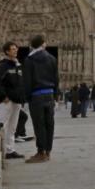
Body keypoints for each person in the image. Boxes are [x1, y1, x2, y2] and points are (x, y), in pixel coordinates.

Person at [22, 34, 59, 163]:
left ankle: (41, 152)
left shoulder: (29, 60)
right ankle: (48, 151)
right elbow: (56, 79)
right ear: (43, 44)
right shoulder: (52, 58)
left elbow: (27, 81)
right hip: (49, 95)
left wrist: (27, 97)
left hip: (36, 96)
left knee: (39, 125)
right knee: (50, 124)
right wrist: (56, 96)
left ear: (32, 46)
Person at [0, 41, 26, 159]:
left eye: (16, 48)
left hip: (17, 101)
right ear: (7, 51)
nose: (15, 50)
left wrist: (22, 98)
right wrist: (3, 96)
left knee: (12, 127)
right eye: (12, 49)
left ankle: (10, 150)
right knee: (2, 125)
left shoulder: (18, 65)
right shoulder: (3, 66)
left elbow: (21, 83)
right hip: (7, 101)